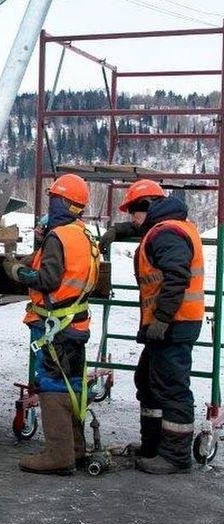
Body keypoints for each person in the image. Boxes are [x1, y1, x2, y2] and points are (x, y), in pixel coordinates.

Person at [100, 179, 203, 474]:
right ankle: (153, 444)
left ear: (148, 207)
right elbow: (140, 227)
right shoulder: (167, 225)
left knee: (172, 389)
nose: (132, 218)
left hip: (173, 323)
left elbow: (176, 276)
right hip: (171, 323)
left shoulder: (166, 233)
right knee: (148, 381)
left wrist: (162, 318)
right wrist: (118, 230)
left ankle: (175, 456)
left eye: (134, 210)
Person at [4, 174, 99, 474]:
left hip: (56, 325)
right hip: (76, 322)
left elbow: (48, 279)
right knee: (71, 384)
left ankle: (59, 456)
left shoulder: (59, 237)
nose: (51, 203)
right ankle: (75, 448)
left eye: (53, 199)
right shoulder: (83, 234)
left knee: (52, 383)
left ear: (62, 203)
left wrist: (18, 272)